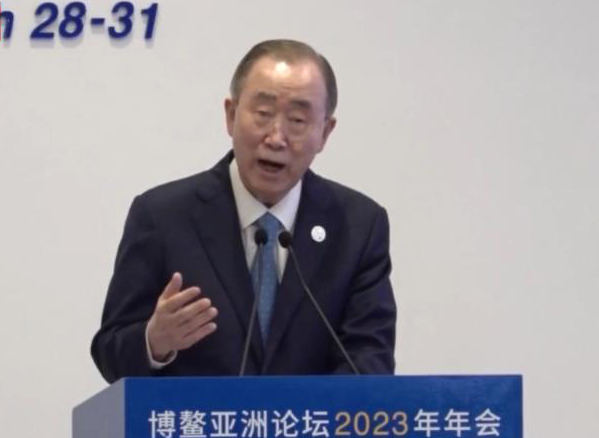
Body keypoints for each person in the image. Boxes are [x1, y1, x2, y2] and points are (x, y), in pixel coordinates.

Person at [91, 39, 396, 383]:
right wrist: (154, 342)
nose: (276, 137)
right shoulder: (162, 216)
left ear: (325, 132)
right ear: (231, 115)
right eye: (263, 114)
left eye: (297, 119)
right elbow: (110, 353)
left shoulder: (358, 227)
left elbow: (369, 362)